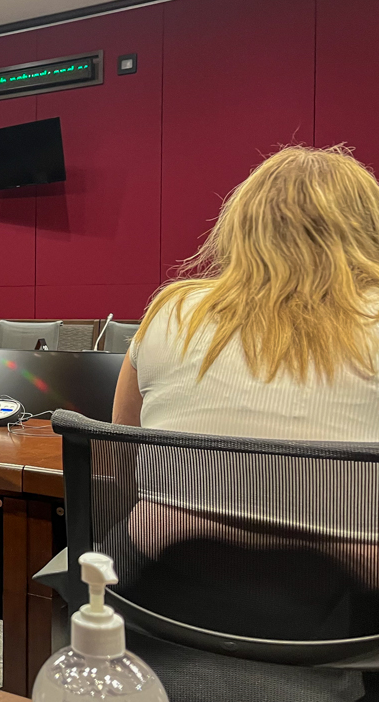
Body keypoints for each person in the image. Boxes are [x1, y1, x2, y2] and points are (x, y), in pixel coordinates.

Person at [113, 145, 379, 558]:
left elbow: (121, 449)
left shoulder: (172, 312)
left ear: (239, 225)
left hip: (165, 588)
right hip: (350, 610)